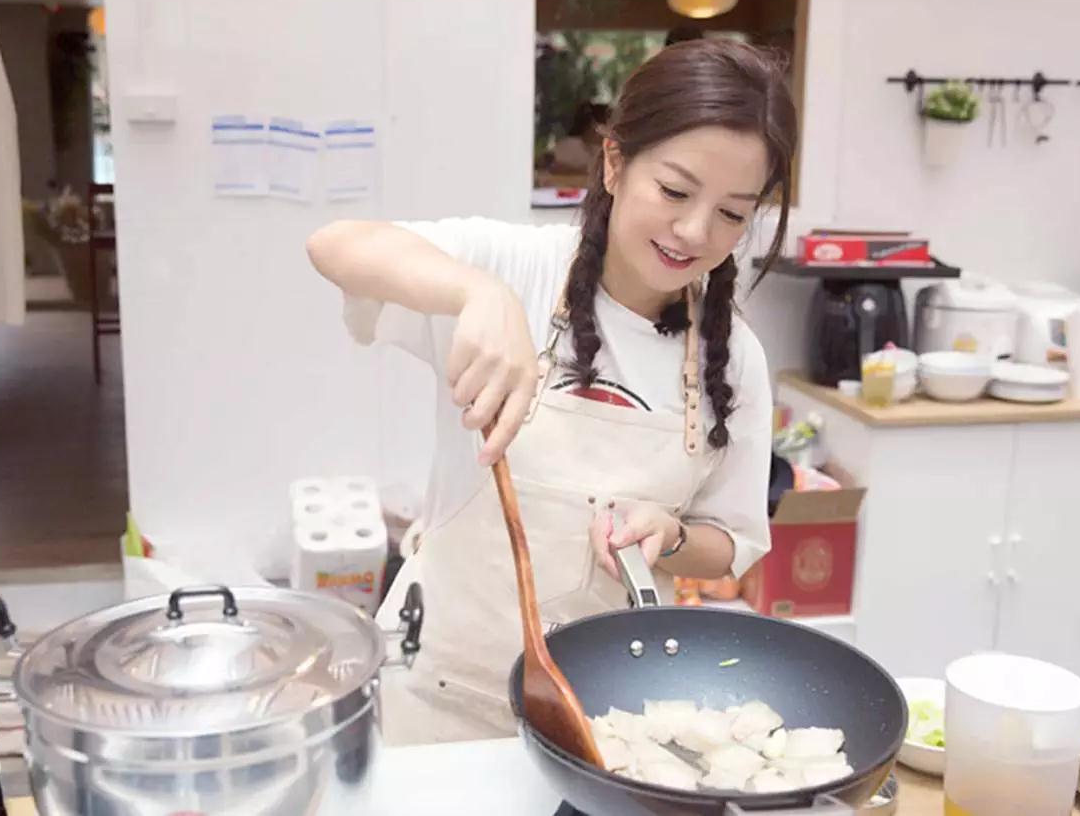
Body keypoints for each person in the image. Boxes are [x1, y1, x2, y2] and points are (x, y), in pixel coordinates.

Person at [307, 39, 798, 745]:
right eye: (675, 191)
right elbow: (335, 245)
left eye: (732, 214)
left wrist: (670, 537)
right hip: (433, 693)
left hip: (603, 716)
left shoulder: (734, 357)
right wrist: (478, 294)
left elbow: (731, 543)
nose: (695, 231)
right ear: (615, 162)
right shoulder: (519, 268)